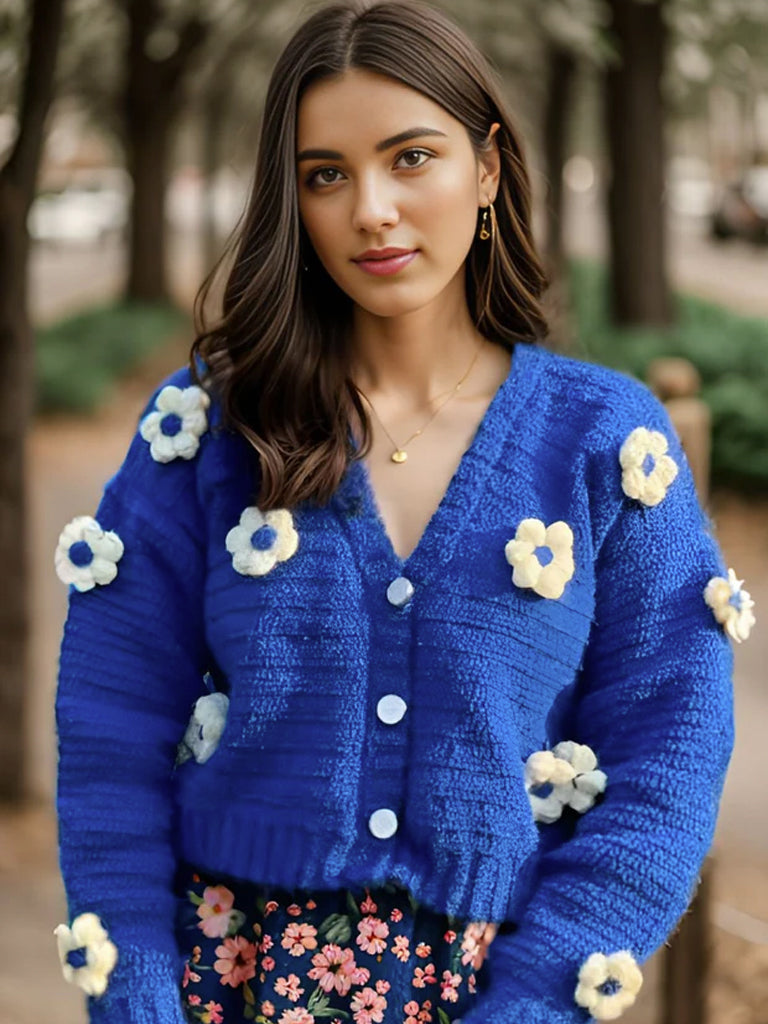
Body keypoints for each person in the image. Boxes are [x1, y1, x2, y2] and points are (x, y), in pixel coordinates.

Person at [53, 2, 747, 1022]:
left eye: (410, 158)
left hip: (506, 989)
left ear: (489, 171)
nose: (370, 208)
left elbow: (670, 754)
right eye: (325, 174)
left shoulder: (603, 443)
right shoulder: (208, 430)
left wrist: (537, 1000)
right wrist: (139, 1000)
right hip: (227, 988)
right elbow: (113, 735)